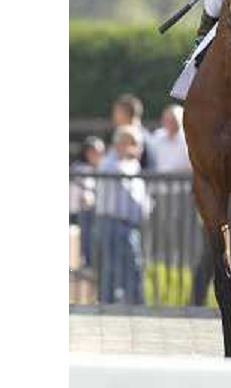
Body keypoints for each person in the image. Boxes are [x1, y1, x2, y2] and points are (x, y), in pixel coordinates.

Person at [96, 125, 151, 304]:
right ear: (123, 143)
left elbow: (139, 194)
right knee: (112, 267)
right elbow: (122, 181)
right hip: (112, 222)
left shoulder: (133, 164)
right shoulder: (109, 163)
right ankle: (107, 305)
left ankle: (134, 304)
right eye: (135, 144)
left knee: (132, 266)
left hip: (129, 224)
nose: (139, 149)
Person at [69, 136, 105, 268]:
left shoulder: (99, 168)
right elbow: (85, 197)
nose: (99, 156)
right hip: (78, 214)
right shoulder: (80, 169)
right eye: (95, 152)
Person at [109, 93, 157, 171]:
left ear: (126, 113)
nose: (113, 116)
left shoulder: (142, 137)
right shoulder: (120, 134)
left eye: (116, 112)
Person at [151, 104, 191, 173]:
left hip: (182, 181)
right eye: (166, 119)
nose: (169, 122)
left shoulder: (190, 139)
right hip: (157, 180)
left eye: (173, 119)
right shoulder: (157, 136)